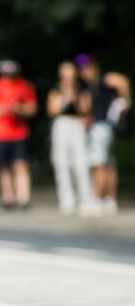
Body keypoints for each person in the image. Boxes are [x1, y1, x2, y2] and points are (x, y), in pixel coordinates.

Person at [77, 54, 131, 216]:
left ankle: (97, 200)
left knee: (98, 163)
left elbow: (122, 81)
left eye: (87, 68)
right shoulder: (90, 87)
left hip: (102, 127)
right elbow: (86, 109)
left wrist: (124, 102)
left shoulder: (103, 80)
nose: (84, 72)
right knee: (108, 163)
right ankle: (110, 200)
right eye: (82, 70)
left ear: (94, 67)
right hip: (103, 126)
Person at [0, 60, 37, 210]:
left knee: (21, 165)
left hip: (19, 133)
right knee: (3, 167)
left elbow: (32, 109)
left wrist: (19, 109)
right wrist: (5, 108)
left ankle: (23, 198)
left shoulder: (24, 86)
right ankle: (8, 198)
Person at [48, 61, 95, 217]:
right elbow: (52, 111)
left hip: (77, 124)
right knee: (61, 163)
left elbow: (86, 110)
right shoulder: (55, 89)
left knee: (81, 162)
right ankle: (66, 201)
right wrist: (63, 100)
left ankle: (86, 199)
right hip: (61, 124)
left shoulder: (81, 89)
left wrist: (74, 98)